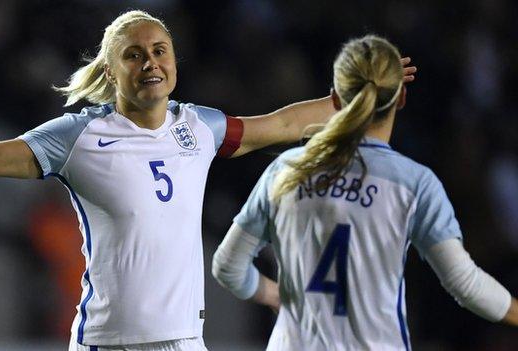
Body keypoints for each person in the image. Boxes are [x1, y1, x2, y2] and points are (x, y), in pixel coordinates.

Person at [0, 10, 416, 351]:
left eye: (160, 50)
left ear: (174, 62)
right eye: (135, 54)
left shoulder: (201, 127)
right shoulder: (79, 136)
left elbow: (280, 125)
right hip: (107, 341)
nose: (151, 62)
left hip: (184, 340)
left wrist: (352, 101)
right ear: (111, 70)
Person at [212, 35, 518, 350]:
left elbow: (227, 266)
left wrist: (272, 293)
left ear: (334, 98)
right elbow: (465, 284)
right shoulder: (413, 183)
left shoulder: (287, 171)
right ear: (400, 98)